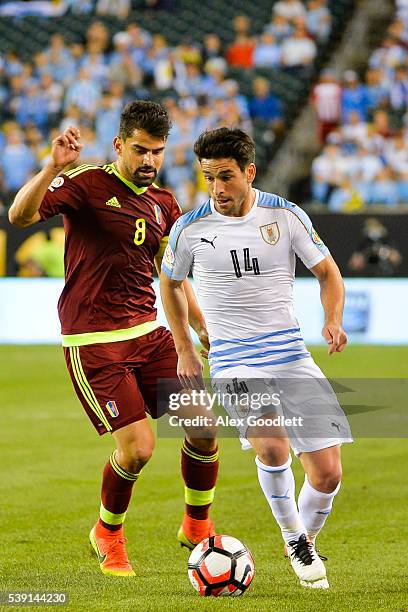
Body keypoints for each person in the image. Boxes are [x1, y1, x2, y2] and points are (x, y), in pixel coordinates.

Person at [8, 100, 219, 577]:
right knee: (139, 448)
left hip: (150, 333)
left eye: (158, 152)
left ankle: (196, 526)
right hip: (94, 341)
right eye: (140, 150)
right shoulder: (83, 183)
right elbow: (20, 216)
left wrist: (200, 323)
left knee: (204, 428)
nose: (149, 161)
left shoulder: (165, 203)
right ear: (119, 144)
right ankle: (107, 533)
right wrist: (51, 167)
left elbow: (174, 276)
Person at [160, 127, 353, 590]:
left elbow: (328, 272)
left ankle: (301, 538)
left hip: (289, 353)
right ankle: (296, 539)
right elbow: (169, 282)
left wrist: (333, 319)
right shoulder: (190, 228)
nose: (217, 189)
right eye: (208, 178)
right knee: (272, 445)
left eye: (226, 177)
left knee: (327, 474)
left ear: (249, 172)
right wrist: (186, 345)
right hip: (233, 358)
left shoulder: (285, 216)